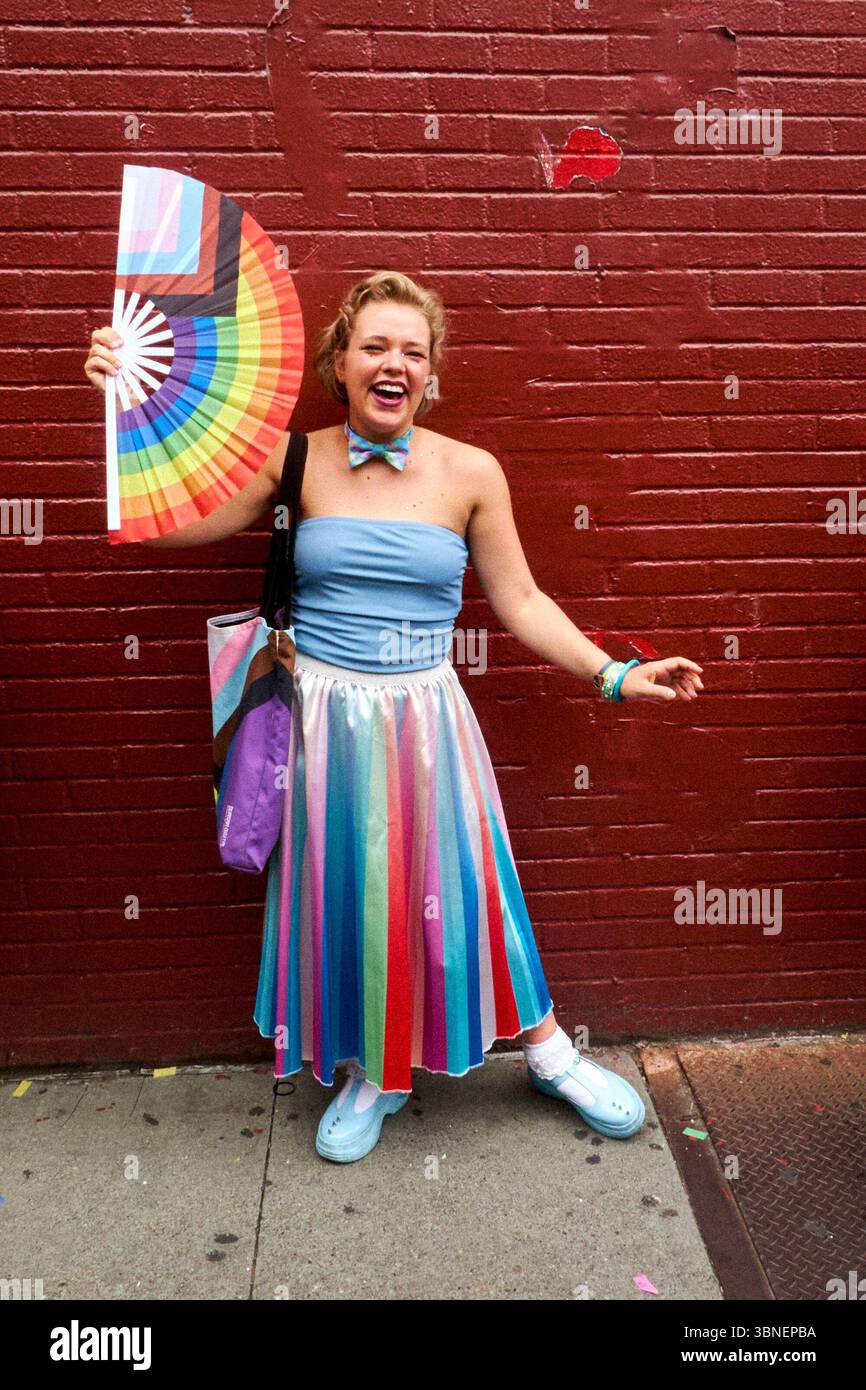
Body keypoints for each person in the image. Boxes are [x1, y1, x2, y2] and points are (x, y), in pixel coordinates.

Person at [85, 270, 704, 1164]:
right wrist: (123, 408)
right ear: (341, 363)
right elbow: (171, 525)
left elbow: (522, 600)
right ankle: (376, 1071)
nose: (394, 363)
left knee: (471, 888)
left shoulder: (472, 471)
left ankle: (546, 1049)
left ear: (431, 373)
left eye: (413, 351)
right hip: (324, 728)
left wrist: (614, 674)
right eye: (375, 345)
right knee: (358, 897)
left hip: (426, 720)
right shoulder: (294, 459)